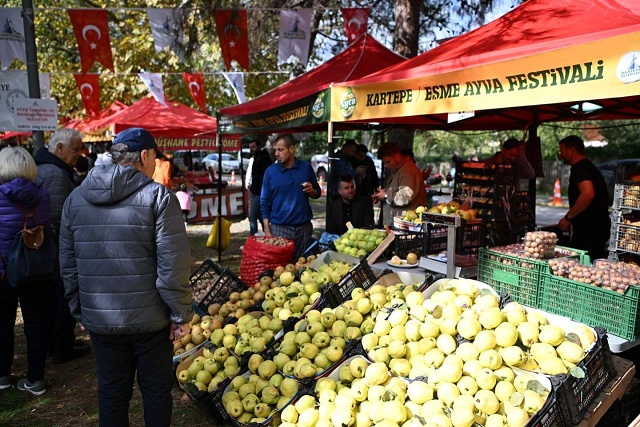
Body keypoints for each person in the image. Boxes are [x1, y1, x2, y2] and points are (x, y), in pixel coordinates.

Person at [59, 127, 193, 427]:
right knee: (157, 392)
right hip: (152, 322)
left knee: (111, 393)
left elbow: (67, 265)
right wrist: (181, 314)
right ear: (144, 156)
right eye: (154, 159)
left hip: (103, 319)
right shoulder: (158, 196)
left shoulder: (75, 198)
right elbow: (172, 265)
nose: (155, 166)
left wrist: (78, 308)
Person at [34, 127, 89, 364]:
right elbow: (58, 219)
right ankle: (62, 345)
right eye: (75, 149)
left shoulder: (47, 168)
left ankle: (57, 342)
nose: (78, 154)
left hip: (49, 248)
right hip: (56, 249)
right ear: (59, 148)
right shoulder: (55, 174)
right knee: (62, 295)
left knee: (52, 299)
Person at [0, 147, 52, 396]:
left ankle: (2, 375)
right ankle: (36, 379)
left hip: (3, 271)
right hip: (35, 269)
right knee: (35, 323)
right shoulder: (43, 196)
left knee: (2, 323)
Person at [261, 134, 321, 261]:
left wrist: (311, 191)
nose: (276, 153)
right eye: (275, 150)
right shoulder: (270, 172)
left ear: (292, 149)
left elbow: (318, 192)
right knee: (280, 268)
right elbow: (264, 202)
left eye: (280, 150)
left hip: (303, 228)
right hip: (279, 228)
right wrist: (267, 230)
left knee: (301, 266)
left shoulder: (305, 168)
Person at [558, 135, 610, 260]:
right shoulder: (588, 166)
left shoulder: (579, 168)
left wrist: (568, 218)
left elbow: (588, 194)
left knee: (582, 266)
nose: (561, 155)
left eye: (562, 151)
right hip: (597, 227)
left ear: (572, 150)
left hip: (590, 230)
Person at [372, 142, 427, 226]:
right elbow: (397, 190)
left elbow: (405, 197)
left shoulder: (408, 171)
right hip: (399, 225)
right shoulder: (399, 169)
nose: (386, 166)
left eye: (388, 162)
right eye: (384, 163)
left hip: (406, 227)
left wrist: (386, 196)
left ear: (397, 156)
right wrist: (383, 193)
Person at [247, 139, 273, 236]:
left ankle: (253, 237)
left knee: (252, 216)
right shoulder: (256, 158)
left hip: (259, 191)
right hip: (255, 190)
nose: (251, 149)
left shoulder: (263, 158)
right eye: (250, 148)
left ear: (258, 147)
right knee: (259, 216)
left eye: (253, 147)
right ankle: (267, 233)